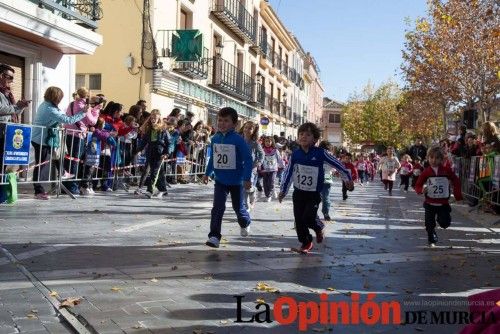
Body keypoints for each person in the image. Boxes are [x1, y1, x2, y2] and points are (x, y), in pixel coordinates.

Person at [278, 123, 354, 253]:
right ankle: (306, 243)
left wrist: (347, 179)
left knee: (308, 217)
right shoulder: (295, 154)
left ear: (315, 139)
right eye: (301, 134)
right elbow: (288, 173)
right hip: (298, 192)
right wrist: (283, 190)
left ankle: (319, 227)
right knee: (299, 220)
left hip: (313, 194)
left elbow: (338, 165)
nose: (303, 137)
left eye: (308, 134)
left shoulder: (321, 153)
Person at [203, 107, 253, 248]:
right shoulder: (215, 138)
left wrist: (247, 178)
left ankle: (245, 222)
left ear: (234, 124)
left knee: (239, 209)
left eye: (226, 121)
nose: (222, 123)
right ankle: (214, 236)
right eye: (220, 120)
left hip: (237, 182)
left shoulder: (238, 140)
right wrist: (207, 173)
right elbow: (213, 157)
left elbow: (248, 159)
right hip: (220, 181)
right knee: (217, 208)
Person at [31, 86, 88, 200]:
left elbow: (60, 118)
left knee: (57, 156)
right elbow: (68, 120)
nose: (61, 99)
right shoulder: (49, 109)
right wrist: (83, 113)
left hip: (46, 138)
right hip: (41, 139)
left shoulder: (47, 105)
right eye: (60, 97)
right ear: (55, 97)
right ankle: (38, 191)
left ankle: (63, 172)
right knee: (41, 165)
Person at [415, 146, 463, 247]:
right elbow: (418, 185)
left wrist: (458, 196)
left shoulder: (446, 170)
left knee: (445, 223)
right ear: (428, 158)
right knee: (429, 223)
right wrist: (421, 189)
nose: (434, 160)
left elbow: (456, 181)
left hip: (443, 203)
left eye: (437, 158)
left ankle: (441, 220)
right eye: (431, 157)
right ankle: (431, 238)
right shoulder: (426, 172)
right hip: (429, 203)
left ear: (441, 159)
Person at [136, 110, 170, 198]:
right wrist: (139, 150)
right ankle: (163, 190)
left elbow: (168, 142)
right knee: (159, 172)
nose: (153, 119)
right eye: (151, 117)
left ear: (159, 118)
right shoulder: (149, 129)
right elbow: (144, 141)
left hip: (160, 153)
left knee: (154, 172)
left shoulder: (163, 129)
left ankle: (150, 191)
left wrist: (166, 153)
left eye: (155, 117)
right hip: (150, 152)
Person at [238, 120, 264, 210]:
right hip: (240, 167)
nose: (247, 130)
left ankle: (253, 190)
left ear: (253, 131)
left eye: (250, 128)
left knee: (247, 187)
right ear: (243, 128)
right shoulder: (239, 140)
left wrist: (259, 163)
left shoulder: (255, 143)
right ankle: (245, 205)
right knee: (242, 187)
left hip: (251, 168)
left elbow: (262, 154)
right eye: (246, 127)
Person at [260, 136, 284, 202]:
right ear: (264, 142)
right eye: (266, 141)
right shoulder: (262, 150)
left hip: (273, 169)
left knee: (271, 182)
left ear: (272, 142)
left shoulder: (275, 150)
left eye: (269, 141)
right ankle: (268, 193)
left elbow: (279, 159)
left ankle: (269, 196)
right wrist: (259, 166)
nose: (267, 143)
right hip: (265, 169)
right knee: (265, 183)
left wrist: (282, 166)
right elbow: (260, 158)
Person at [318, 141, 335, 221]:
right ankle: (320, 213)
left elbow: (334, 167)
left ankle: (325, 213)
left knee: (324, 197)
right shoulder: (319, 155)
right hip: (320, 179)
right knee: (320, 197)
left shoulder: (330, 156)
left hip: (326, 179)